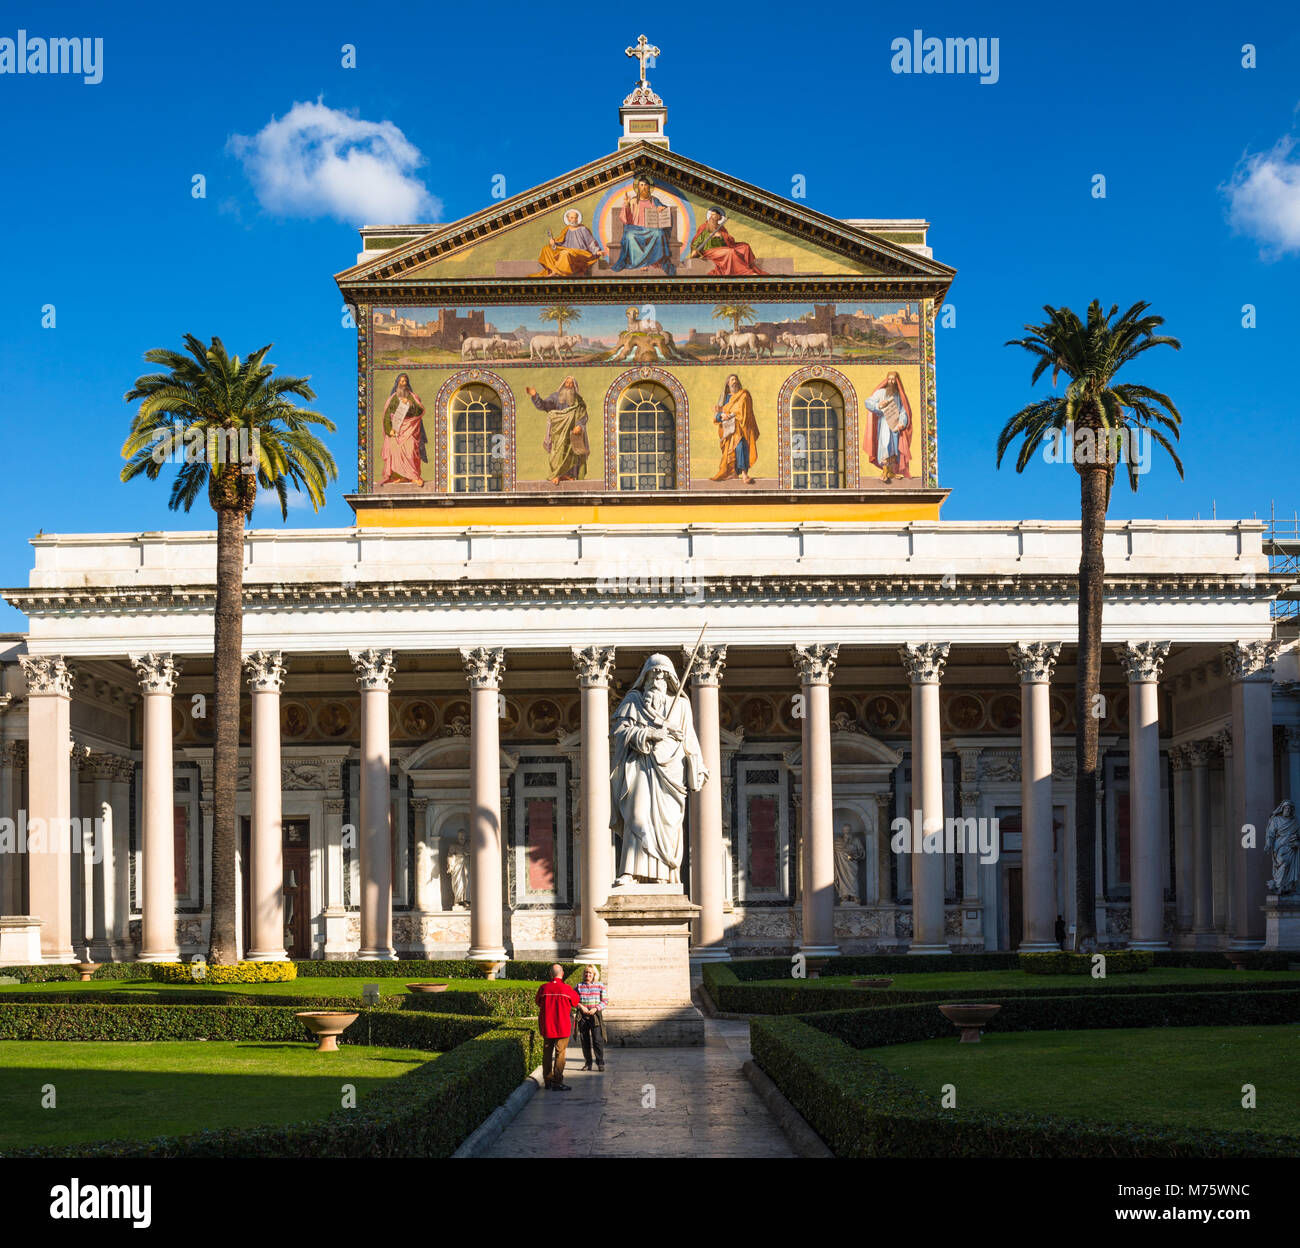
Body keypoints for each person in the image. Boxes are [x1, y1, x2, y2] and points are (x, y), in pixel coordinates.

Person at [610, 653, 708, 884]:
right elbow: (620, 733)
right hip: (641, 766)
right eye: (653, 674)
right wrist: (651, 733)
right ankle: (629, 871)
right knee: (637, 816)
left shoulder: (681, 706)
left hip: (671, 771)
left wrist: (699, 766)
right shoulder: (633, 701)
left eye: (663, 675)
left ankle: (662, 875)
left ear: (671, 679)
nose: (658, 678)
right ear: (645, 677)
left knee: (667, 824)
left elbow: (690, 740)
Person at [525, 377, 590, 483]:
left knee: (572, 453)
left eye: (571, 383)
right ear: (563, 384)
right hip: (558, 432)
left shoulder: (578, 400)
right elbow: (544, 405)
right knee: (557, 453)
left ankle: (570, 476)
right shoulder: (555, 397)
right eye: (567, 383)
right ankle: (557, 474)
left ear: (574, 386)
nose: (568, 385)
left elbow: (583, 414)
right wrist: (535, 395)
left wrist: (579, 425)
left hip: (572, 432)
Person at [610, 178, 676, 274]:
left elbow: (665, 210)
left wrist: (662, 208)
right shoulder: (633, 201)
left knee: (659, 233)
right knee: (629, 236)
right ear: (638, 188)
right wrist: (626, 204)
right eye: (641, 185)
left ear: (649, 187)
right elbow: (626, 220)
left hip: (651, 229)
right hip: (635, 229)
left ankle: (654, 262)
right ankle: (640, 263)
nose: (643, 188)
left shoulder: (654, 200)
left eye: (645, 185)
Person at [535, 964, 581, 1091]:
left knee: (547, 1053)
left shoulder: (544, 988)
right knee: (560, 1053)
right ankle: (557, 1081)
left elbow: (538, 1002)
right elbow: (576, 1002)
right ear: (563, 973)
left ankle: (548, 1080)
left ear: (550, 974)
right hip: (563, 1026)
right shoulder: (566, 989)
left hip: (547, 1025)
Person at [862, 371, 913, 483]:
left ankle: (890, 472)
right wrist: (878, 405)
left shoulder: (899, 396)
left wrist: (902, 423)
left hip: (895, 425)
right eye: (889, 379)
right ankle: (885, 471)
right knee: (885, 446)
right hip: (884, 423)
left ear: (897, 381)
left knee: (894, 449)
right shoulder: (881, 393)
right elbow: (868, 402)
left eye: (893, 379)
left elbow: (904, 411)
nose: (891, 381)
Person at [710, 373, 759, 483]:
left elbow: (745, 411)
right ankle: (732, 473)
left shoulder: (744, 395)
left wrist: (730, 414)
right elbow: (718, 415)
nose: (734, 382)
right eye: (732, 380)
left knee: (741, 446)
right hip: (729, 431)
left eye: (736, 380)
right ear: (728, 383)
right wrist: (722, 415)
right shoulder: (725, 398)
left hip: (741, 428)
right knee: (729, 452)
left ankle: (744, 474)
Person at [688, 207, 765, 275]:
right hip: (709, 251)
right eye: (711, 215)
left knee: (745, 247)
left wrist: (721, 235)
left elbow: (730, 240)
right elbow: (696, 241)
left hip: (722, 249)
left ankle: (749, 267)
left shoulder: (721, 228)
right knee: (730, 252)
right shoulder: (704, 227)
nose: (711, 217)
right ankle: (746, 272)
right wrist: (694, 251)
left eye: (714, 215)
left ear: (719, 217)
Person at [379, 373, 426, 484]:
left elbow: (419, 410)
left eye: (405, 381)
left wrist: (410, 404)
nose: (403, 383)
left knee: (410, 451)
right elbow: (387, 416)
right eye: (401, 381)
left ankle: (413, 476)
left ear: (407, 383)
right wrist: (389, 429)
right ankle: (399, 476)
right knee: (395, 451)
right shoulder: (393, 399)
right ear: (397, 383)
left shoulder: (412, 397)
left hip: (410, 429)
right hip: (395, 430)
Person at [534, 209, 604, 277]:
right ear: (568, 219)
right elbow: (561, 242)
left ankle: (556, 272)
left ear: (577, 219)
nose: (574, 219)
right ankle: (553, 270)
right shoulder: (566, 229)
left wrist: (597, 251)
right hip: (568, 250)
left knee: (565, 253)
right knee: (546, 249)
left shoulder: (583, 229)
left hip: (580, 253)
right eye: (571, 218)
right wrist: (554, 243)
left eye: (575, 218)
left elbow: (590, 242)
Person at [575, 964, 607, 1071]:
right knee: (585, 1040)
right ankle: (588, 1063)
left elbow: (605, 1001)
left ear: (594, 975)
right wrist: (581, 1007)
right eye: (586, 972)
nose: (587, 974)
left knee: (597, 1040)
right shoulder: (578, 986)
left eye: (590, 973)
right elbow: (573, 1001)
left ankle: (600, 1062)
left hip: (595, 1016)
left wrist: (596, 1008)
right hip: (583, 1017)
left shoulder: (600, 986)